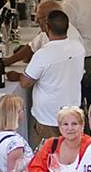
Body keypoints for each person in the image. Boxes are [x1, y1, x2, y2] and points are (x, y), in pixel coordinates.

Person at [17, 9, 84, 145]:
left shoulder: (43, 54)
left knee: (48, 157)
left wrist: (17, 75)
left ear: (47, 28)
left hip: (47, 117)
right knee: (69, 154)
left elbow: (25, 82)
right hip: (71, 113)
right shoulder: (78, 47)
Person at [25, 106, 91, 172]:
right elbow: (32, 169)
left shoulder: (90, 145)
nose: (70, 128)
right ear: (60, 127)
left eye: (74, 124)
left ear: (82, 125)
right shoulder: (52, 144)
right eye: (65, 124)